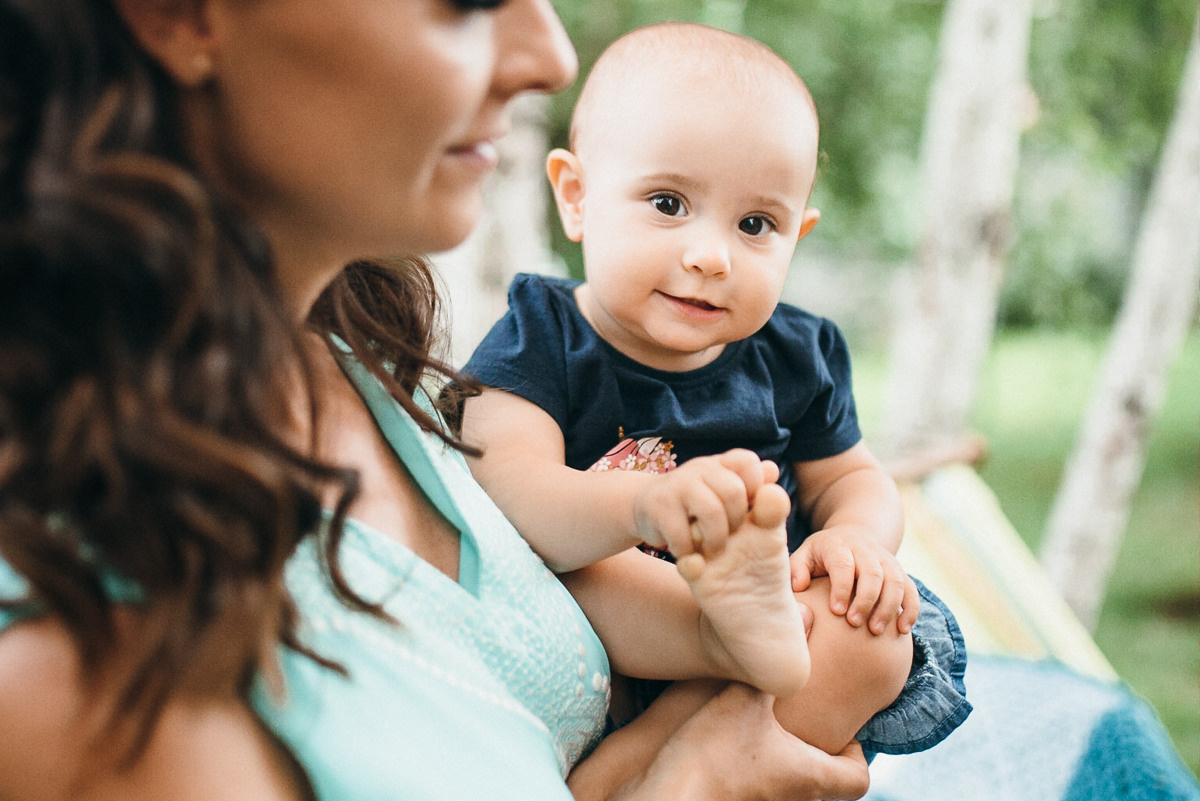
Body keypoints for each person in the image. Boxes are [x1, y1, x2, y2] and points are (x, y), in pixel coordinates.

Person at [0, 1, 880, 799]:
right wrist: (697, 782)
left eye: (755, 224)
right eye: (467, 4)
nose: (550, 55)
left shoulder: (369, 361)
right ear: (180, 15)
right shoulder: (68, 668)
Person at [459, 21, 971, 781]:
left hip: (772, 644)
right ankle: (698, 668)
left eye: (756, 225)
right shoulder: (544, 334)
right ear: (576, 196)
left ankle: (646, 772)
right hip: (618, 633)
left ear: (797, 235)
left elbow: (853, 477)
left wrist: (856, 538)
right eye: (668, 203)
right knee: (583, 561)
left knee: (876, 633)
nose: (710, 255)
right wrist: (644, 507)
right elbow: (506, 486)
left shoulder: (797, 353)